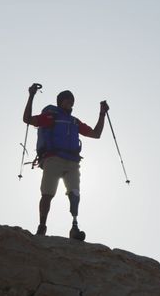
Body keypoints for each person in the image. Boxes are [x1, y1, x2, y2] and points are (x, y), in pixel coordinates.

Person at [23, 83, 109, 241]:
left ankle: (74, 228)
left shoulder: (75, 122)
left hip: (72, 162)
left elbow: (96, 134)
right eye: (67, 100)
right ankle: (42, 226)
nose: (70, 102)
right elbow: (27, 119)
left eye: (72, 100)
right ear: (60, 101)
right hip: (53, 158)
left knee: (74, 194)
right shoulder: (51, 116)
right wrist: (31, 96)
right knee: (47, 194)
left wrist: (102, 114)